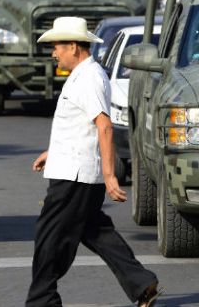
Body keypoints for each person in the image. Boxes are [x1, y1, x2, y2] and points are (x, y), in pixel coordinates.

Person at [26, 17, 161, 307]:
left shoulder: (89, 78)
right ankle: (141, 283)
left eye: (57, 47)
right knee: (97, 232)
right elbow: (81, 126)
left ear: (73, 46)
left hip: (75, 178)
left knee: (49, 238)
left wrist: (111, 175)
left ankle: (42, 300)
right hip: (74, 169)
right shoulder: (84, 75)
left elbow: (104, 125)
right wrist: (53, 152)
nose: (54, 53)